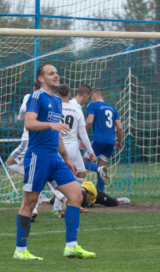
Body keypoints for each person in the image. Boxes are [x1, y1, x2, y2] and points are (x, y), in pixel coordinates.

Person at [13, 64, 96, 261]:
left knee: (76, 196)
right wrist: (50, 124)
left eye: (57, 72)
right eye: (51, 73)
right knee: (30, 202)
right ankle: (20, 250)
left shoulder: (57, 102)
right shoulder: (36, 97)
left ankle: (71, 246)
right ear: (41, 79)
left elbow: (56, 131)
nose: (56, 75)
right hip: (37, 157)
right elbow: (29, 122)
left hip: (55, 158)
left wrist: (66, 158)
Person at [5, 91, 67, 222]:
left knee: (9, 164)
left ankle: (49, 200)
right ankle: (57, 198)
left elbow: (22, 112)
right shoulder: (53, 100)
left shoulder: (30, 96)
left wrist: (19, 117)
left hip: (29, 141)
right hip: (48, 142)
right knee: (36, 173)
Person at [52, 84, 96, 216]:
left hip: (58, 147)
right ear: (70, 95)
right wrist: (91, 151)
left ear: (57, 95)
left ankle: (62, 205)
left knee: (53, 177)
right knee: (81, 174)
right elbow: (83, 133)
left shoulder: (53, 109)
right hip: (73, 147)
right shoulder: (76, 110)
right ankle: (68, 202)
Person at [83, 88, 123, 192]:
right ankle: (100, 193)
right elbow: (120, 127)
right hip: (110, 141)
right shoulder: (112, 109)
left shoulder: (92, 105)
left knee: (82, 163)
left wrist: (81, 135)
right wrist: (119, 142)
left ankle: (98, 169)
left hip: (98, 139)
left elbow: (90, 121)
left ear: (94, 97)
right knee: (102, 167)